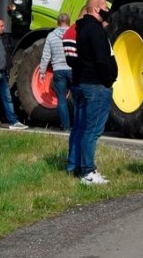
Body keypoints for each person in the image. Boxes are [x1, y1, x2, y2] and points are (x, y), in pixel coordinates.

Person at [71, 0, 117, 185]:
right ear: (97, 9)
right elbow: (101, 59)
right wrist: (109, 79)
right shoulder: (95, 31)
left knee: (83, 128)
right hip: (96, 85)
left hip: (83, 83)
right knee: (93, 130)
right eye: (105, 6)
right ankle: (88, 172)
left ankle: (81, 167)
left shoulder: (81, 29)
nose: (107, 10)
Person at [39, 12, 73, 131]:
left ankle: (66, 126)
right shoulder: (73, 34)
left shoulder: (51, 36)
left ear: (57, 22)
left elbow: (46, 55)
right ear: (69, 21)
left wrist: (42, 72)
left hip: (58, 70)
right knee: (78, 98)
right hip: (72, 69)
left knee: (61, 100)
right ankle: (79, 126)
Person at [0, 17, 27, 130]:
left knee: (7, 97)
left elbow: (6, 54)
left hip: (2, 73)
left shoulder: (3, 39)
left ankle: (13, 122)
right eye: (1, 26)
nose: (3, 28)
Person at [63, 15, 83, 174]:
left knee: (77, 125)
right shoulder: (78, 32)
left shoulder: (65, 33)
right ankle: (84, 166)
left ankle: (72, 164)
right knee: (84, 127)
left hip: (70, 75)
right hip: (82, 79)